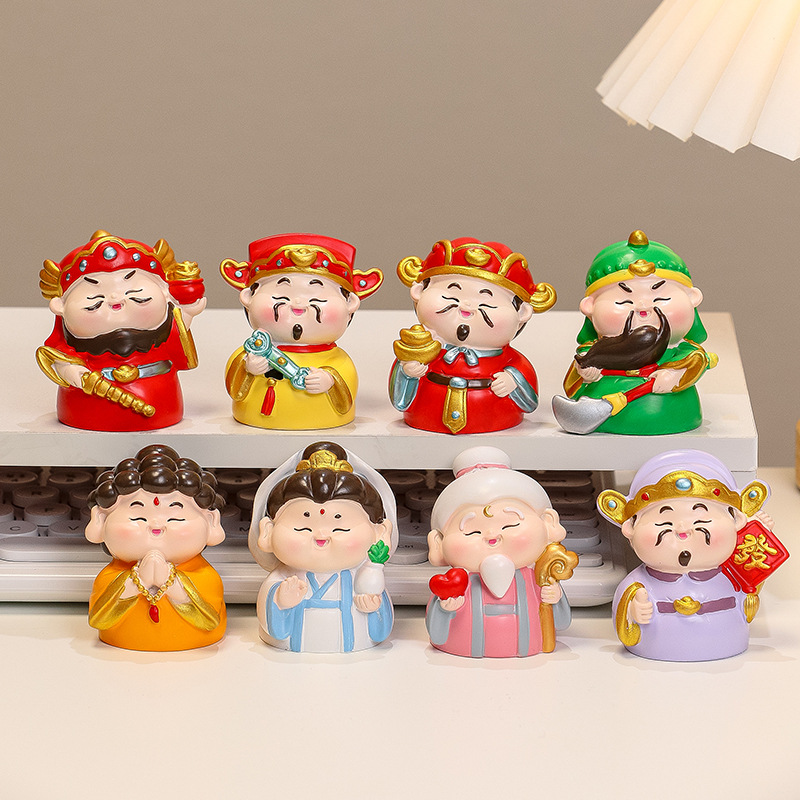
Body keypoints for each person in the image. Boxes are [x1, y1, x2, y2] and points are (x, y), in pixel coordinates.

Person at [598, 449, 777, 661]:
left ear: (736, 521)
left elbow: (751, 591)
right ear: (631, 528)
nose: (683, 529)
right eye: (665, 522)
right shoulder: (638, 583)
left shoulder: (733, 574)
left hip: (728, 644)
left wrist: (759, 536)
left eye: (701, 520)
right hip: (654, 649)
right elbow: (623, 614)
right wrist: (632, 611)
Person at [37, 230, 206, 431]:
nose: (115, 299)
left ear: (164, 292)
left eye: (132, 288)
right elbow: (58, 356)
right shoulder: (70, 344)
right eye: (95, 296)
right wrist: (69, 370)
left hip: (160, 397)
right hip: (88, 406)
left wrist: (187, 312)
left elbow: (175, 334)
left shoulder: (163, 326)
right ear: (60, 306)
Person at [553, 230, 716, 435]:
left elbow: (695, 361)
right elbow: (578, 372)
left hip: (671, 412)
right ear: (590, 307)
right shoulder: (596, 351)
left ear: (692, 298)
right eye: (624, 301)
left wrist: (675, 374)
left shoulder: (684, 351)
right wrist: (585, 372)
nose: (643, 308)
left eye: (661, 299)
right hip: (601, 405)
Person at [389, 238, 556, 434]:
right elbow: (399, 396)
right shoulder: (421, 349)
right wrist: (408, 372)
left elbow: (530, 401)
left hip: (496, 422)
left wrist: (513, 380)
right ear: (419, 291)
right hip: (424, 418)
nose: (466, 306)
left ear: (522, 312)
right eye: (452, 294)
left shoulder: (510, 360)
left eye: (487, 300)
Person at [425, 446, 576, 658]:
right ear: (438, 543)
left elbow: (561, 623)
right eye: (472, 531)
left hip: (528, 653)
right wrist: (445, 609)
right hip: (466, 654)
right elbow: (437, 634)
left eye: (510, 525)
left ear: (547, 524)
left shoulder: (538, 579)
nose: (492, 536)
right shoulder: (455, 585)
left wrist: (555, 598)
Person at [220, 234, 383, 429]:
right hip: (255, 419)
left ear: (350, 303)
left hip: (324, 422)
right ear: (249, 297)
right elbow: (234, 386)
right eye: (281, 296)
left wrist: (330, 380)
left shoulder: (337, 359)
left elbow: (347, 384)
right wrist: (248, 368)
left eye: (317, 299)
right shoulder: (255, 350)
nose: (298, 304)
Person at [250, 441, 396, 653]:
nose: (321, 536)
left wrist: (374, 607)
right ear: (268, 531)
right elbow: (272, 626)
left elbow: (381, 628)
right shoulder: (282, 579)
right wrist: (280, 601)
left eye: (340, 529)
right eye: (302, 528)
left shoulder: (363, 577)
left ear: (379, 533)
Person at [85, 445, 226, 651]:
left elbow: (210, 622)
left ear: (211, 522)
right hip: (122, 644)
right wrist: (135, 583)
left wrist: (173, 586)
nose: (156, 526)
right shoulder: (110, 577)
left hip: (196, 649)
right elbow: (98, 620)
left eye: (175, 518)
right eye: (138, 518)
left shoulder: (204, 576)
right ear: (100, 520)